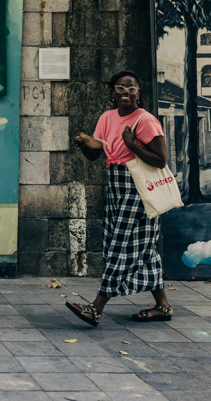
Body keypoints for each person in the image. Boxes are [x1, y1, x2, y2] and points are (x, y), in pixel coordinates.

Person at [67, 70, 172, 327]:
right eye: (120, 88)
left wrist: (132, 144)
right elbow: (97, 154)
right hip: (115, 187)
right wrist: (84, 145)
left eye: (131, 88)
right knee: (143, 248)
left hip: (139, 189)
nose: (126, 92)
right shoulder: (107, 117)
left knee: (121, 246)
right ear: (112, 92)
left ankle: (96, 308)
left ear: (139, 93)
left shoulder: (145, 120)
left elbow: (161, 160)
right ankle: (163, 306)